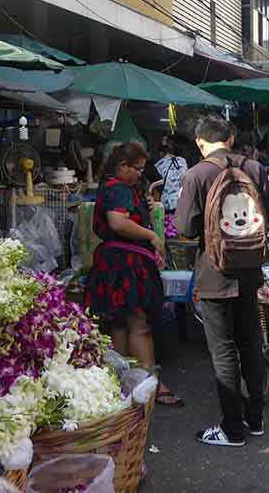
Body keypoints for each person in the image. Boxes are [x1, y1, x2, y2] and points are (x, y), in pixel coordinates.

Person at [175, 114, 269, 446]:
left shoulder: (197, 174)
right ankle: (256, 420)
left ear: (200, 142)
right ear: (230, 138)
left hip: (214, 272)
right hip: (250, 270)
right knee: (250, 343)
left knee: (222, 351)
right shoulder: (256, 169)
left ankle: (232, 430)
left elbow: (186, 228)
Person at [86, 143, 181, 406]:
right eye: (137, 169)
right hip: (126, 264)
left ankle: (126, 383)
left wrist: (143, 206)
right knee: (140, 325)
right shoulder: (118, 188)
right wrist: (152, 236)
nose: (140, 174)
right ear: (122, 167)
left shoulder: (115, 187)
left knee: (120, 322)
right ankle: (151, 384)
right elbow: (117, 222)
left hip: (114, 262)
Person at [153, 135, 188, 213]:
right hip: (181, 203)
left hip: (165, 205)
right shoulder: (182, 162)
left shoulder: (159, 165)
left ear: (161, 153)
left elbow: (156, 187)